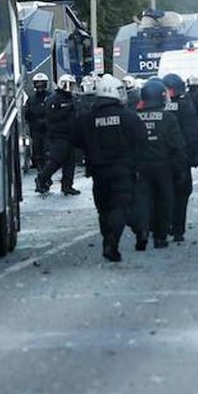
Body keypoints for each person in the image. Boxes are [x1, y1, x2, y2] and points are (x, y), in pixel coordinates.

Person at [74, 75, 145, 262]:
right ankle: (111, 243)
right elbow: (141, 139)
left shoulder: (87, 119)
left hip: (98, 171)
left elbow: (76, 140)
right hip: (122, 170)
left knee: (104, 208)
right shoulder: (128, 117)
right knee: (120, 206)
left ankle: (108, 239)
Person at [131, 79, 187, 251]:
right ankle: (160, 238)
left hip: (140, 166)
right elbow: (177, 146)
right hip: (163, 166)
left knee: (142, 199)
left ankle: (142, 229)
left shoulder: (134, 117)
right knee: (164, 201)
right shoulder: (168, 118)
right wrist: (181, 170)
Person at [162, 73, 198, 242]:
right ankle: (178, 230)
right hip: (180, 157)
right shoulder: (185, 105)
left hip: (159, 158)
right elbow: (192, 131)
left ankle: (163, 226)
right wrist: (196, 154)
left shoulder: (154, 106)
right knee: (182, 192)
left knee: (161, 193)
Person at [37, 74, 81, 195]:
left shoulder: (71, 98)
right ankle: (42, 178)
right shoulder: (54, 99)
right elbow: (51, 116)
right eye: (69, 85)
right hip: (58, 135)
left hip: (70, 135)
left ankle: (67, 185)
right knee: (56, 160)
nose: (71, 88)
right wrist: (66, 109)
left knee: (70, 161)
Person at [23, 73, 50, 170]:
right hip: (35, 130)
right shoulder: (31, 99)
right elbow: (27, 114)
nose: (40, 86)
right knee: (37, 150)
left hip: (48, 129)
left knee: (47, 150)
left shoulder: (50, 97)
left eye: (42, 84)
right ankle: (39, 167)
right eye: (37, 84)